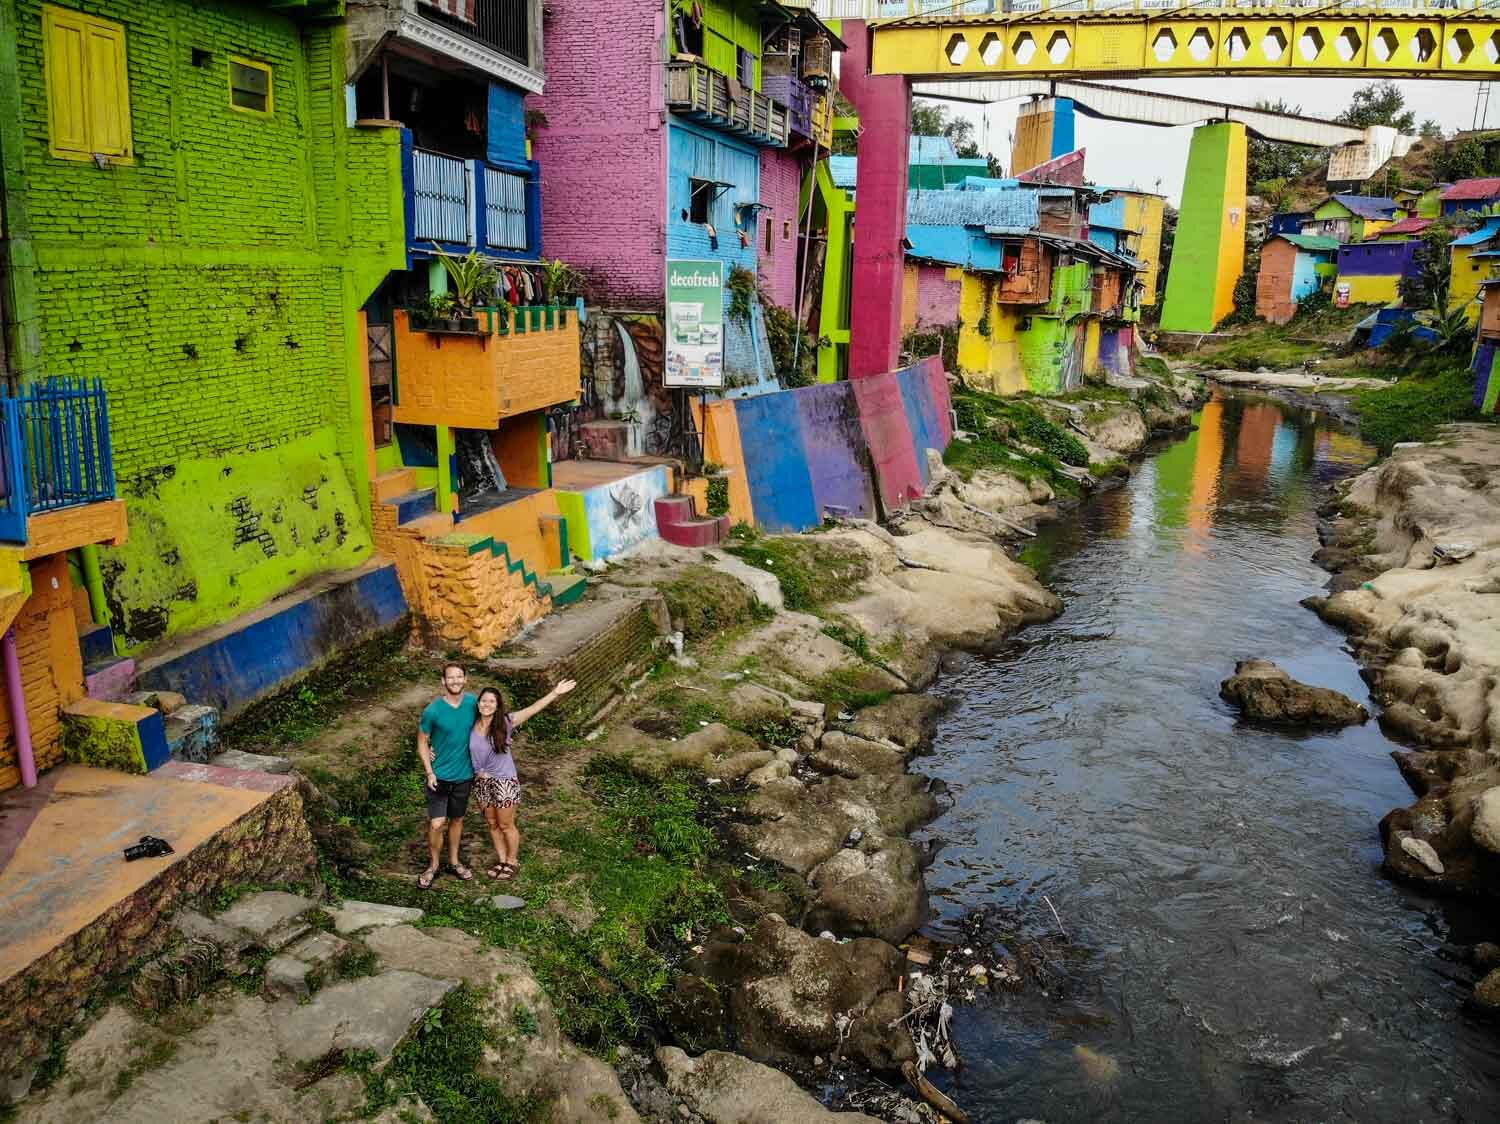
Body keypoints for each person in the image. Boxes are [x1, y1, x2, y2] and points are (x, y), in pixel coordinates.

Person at [470, 679, 576, 881]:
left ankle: (512, 861)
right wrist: (432, 750)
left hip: (504, 782)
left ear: (498, 705)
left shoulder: (506, 722)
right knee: (492, 823)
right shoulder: (470, 726)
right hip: (481, 784)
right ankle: (501, 860)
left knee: (505, 824)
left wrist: (555, 693)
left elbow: (533, 708)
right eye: (484, 701)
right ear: (478, 703)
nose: (487, 705)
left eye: (492, 701)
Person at [416, 663, 479, 889]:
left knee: (457, 819)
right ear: (443, 681)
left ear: (465, 679)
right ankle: (433, 865)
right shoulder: (433, 711)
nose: (455, 681)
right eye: (450, 678)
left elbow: (491, 722)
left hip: (464, 775)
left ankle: (453, 861)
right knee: (436, 823)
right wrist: (429, 771)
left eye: (459, 676)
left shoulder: (474, 703)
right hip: (439, 776)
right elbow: (422, 742)